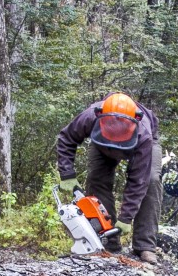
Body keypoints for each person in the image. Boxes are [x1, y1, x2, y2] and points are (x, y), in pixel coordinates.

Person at [56, 92, 163, 264]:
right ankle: (108, 242)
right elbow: (66, 138)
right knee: (97, 180)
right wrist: (67, 174)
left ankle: (145, 246)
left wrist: (126, 217)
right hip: (102, 143)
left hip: (138, 144)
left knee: (151, 180)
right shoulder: (90, 115)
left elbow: (139, 180)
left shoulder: (144, 134)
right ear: (100, 115)